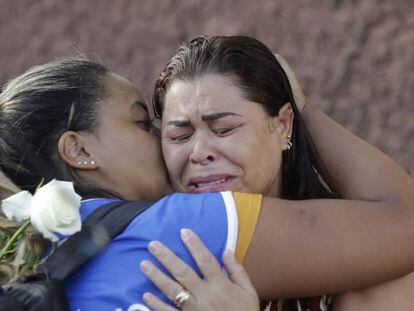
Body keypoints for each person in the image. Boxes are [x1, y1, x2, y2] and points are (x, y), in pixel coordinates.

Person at [0, 55, 413, 310]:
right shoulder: (178, 229)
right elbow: (404, 225)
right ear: (78, 151)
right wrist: (304, 110)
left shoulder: (27, 264)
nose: (181, 148)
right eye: (144, 123)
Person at [145, 35, 414, 310]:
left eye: (224, 129)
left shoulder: (376, 267)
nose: (199, 152)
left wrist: (305, 111)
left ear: (283, 124)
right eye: (179, 136)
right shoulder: (152, 259)